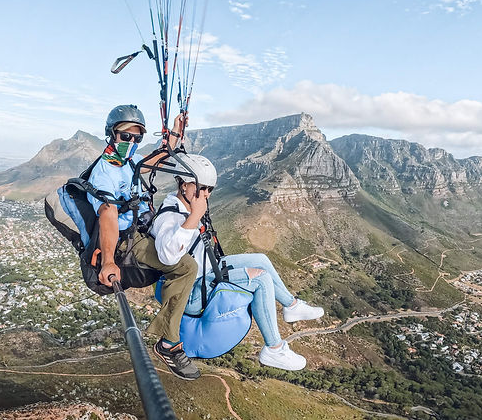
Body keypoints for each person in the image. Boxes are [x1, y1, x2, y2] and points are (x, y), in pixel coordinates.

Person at [151, 153, 325, 371]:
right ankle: (274, 348)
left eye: (210, 189)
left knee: (261, 260)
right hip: (190, 293)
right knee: (260, 279)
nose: (206, 194)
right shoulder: (169, 216)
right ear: (183, 184)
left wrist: (195, 213)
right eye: (202, 188)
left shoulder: (185, 206)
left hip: (206, 271)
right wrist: (195, 216)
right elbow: (167, 256)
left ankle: (292, 306)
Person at [87, 104, 201, 380]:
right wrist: (109, 261)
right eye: (126, 136)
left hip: (142, 227)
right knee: (186, 267)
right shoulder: (104, 174)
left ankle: (181, 307)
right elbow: (108, 214)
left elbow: (158, 158)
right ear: (111, 134)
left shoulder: (129, 161)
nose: (131, 142)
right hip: (127, 240)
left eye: (137, 138)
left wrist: (176, 131)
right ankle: (169, 343)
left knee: (191, 243)